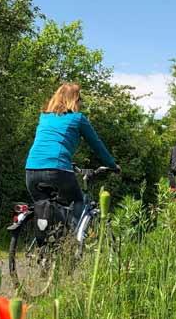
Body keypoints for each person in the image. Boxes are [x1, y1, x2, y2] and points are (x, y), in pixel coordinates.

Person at [25, 83, 118, 221]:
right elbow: (96, 144)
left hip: (31, 170)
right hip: (57, 169)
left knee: (44, 208)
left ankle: (49, 240)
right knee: (78, 202)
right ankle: (74, 240)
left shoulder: (44, 117)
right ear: (74, 100)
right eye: (79, 99)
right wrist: (112, 165)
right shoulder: (77, 118)